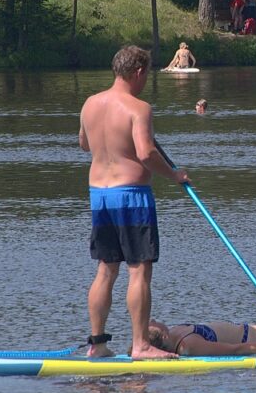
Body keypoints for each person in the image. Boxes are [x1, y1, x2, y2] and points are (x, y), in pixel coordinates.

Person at [78, 45, 191, 359]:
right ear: (138, 72)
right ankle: (141, 345)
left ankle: (97, 344)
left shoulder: (89, 104)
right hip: (131, 197)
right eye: (147, 74)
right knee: (139, 271)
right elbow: (145, 154)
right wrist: (174, 175)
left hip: (99, 196)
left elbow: (84, 143)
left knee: (105, 270)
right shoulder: (138, 108)